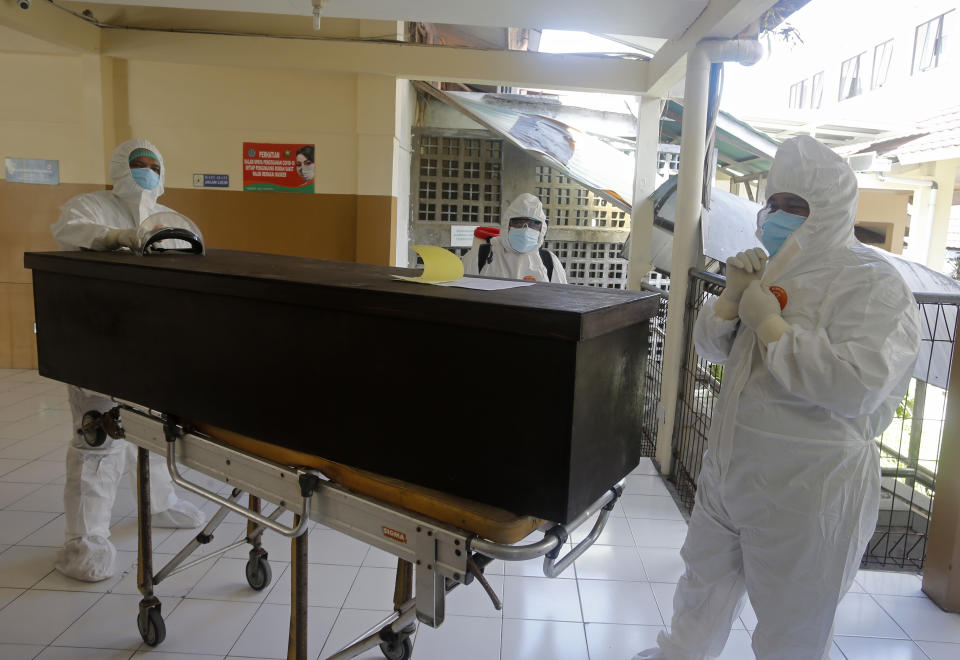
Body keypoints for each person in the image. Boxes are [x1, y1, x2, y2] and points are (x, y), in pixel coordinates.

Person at [634, 136, 921, 660]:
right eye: (776, 203)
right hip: (730, 472)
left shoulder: (874, 284)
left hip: (808, 491)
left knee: (793, 628)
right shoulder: (769, 266)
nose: (779, 215)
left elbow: (857, 384)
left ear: (831, 213)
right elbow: (710, 348)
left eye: (798, 207)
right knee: (698, 596)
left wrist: (772, 327)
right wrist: (730, 299)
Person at [50, 138, 206, 582]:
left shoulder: (173, 220)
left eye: (152, 165)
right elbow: (67, 231)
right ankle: (85, 541)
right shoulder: (91, 207)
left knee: (157, 429)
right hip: (99, 338)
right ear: (120, 167)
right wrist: (116, 238)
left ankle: (161, 502)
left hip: (155, 342)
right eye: (137, 164)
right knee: (98, 439)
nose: (145, 172)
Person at [461, 193, 567, 283]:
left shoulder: (549, 261)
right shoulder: (480, 256)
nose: (525, 230)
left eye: (533, 224)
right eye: (519, 223)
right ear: (506, 225)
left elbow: (561, 299)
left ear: (542, 229)